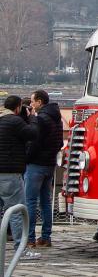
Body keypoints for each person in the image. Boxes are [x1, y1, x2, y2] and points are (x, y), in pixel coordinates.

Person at [0, 96, 41, 259]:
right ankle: (20, 250)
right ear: (18, 108)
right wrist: (32, 117)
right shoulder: (15, 122)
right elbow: (33, 134)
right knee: (17, 212)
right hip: (10, 174)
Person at [24, 89, 64, 248]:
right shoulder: (57, 119)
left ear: (40, 102)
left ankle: (30, 238)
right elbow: (60, 143)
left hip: (36, 164)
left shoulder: (41, 119)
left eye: (33, 101)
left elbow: (34, 142)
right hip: (50, 164)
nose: (31, 104)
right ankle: (46, 237)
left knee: (30, 202)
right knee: (46, 202)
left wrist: (27, 157)